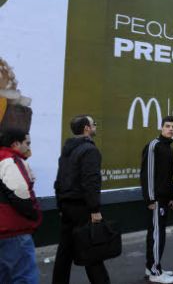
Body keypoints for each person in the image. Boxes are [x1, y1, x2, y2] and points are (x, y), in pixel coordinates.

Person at [53, 115, 109, 284]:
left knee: (64, 252)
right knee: (92, 252)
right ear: (86, 128)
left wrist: (60, 206)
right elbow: (91, 182)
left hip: (66, 207)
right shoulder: (90, 150)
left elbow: (59, 181)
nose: (95, 127)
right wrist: (95, 209)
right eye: (94, 124)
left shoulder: (66, 150)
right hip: (82, 208)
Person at [0, 128, 41, 284]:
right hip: (14, 230)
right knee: (24, 276)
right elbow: (20, 194)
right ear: (16, 143)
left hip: (5, 230)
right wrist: (34, 215)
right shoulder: (10, 161)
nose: (29, 147)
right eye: (27, 143)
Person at [141, 116, 173, 283]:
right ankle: (155, 273)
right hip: (155, 200)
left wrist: (171, 196)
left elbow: (167, 177)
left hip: (164, 199)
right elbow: (147, 174)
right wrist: (150, 199)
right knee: (157, 235)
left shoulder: (169, 148)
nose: (171, 129)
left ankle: (152, 267)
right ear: (161, 127)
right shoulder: (153, 146)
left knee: (158, 234)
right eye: (167, 126)